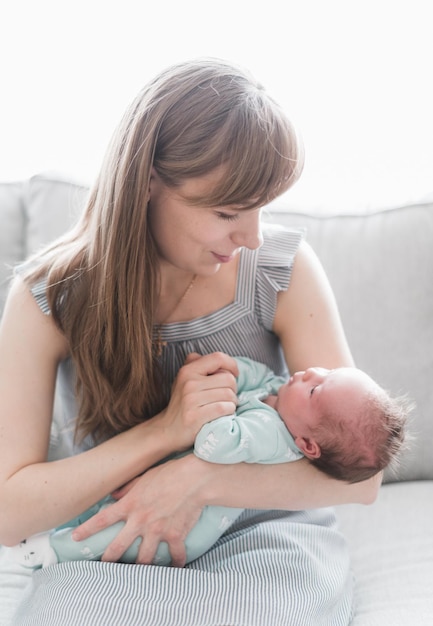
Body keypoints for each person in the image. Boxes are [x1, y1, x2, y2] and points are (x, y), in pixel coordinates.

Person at [0, 57, 384, 626]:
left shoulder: (280, 269)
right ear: (148, 184)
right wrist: (165, 433)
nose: (251, 235)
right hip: (123, 537)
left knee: (287, 607)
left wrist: (199, 481)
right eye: (227, 211)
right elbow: (9, 512)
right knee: (61, 611)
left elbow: (364, 479)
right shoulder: (49, 298)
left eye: (261, 208)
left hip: (262, 529)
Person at [9, 357, 409, 571]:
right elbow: (258, 375)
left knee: (114, 533)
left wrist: (211, 412)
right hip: (169, 495)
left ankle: (53, 553)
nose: (310, 371)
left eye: (317, 387)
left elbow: (215, 444)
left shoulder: (269, 435)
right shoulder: (278, 396)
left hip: (187, 531)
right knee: (110, 506)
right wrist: (231, 371)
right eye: (329, 370)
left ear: (307, 444)